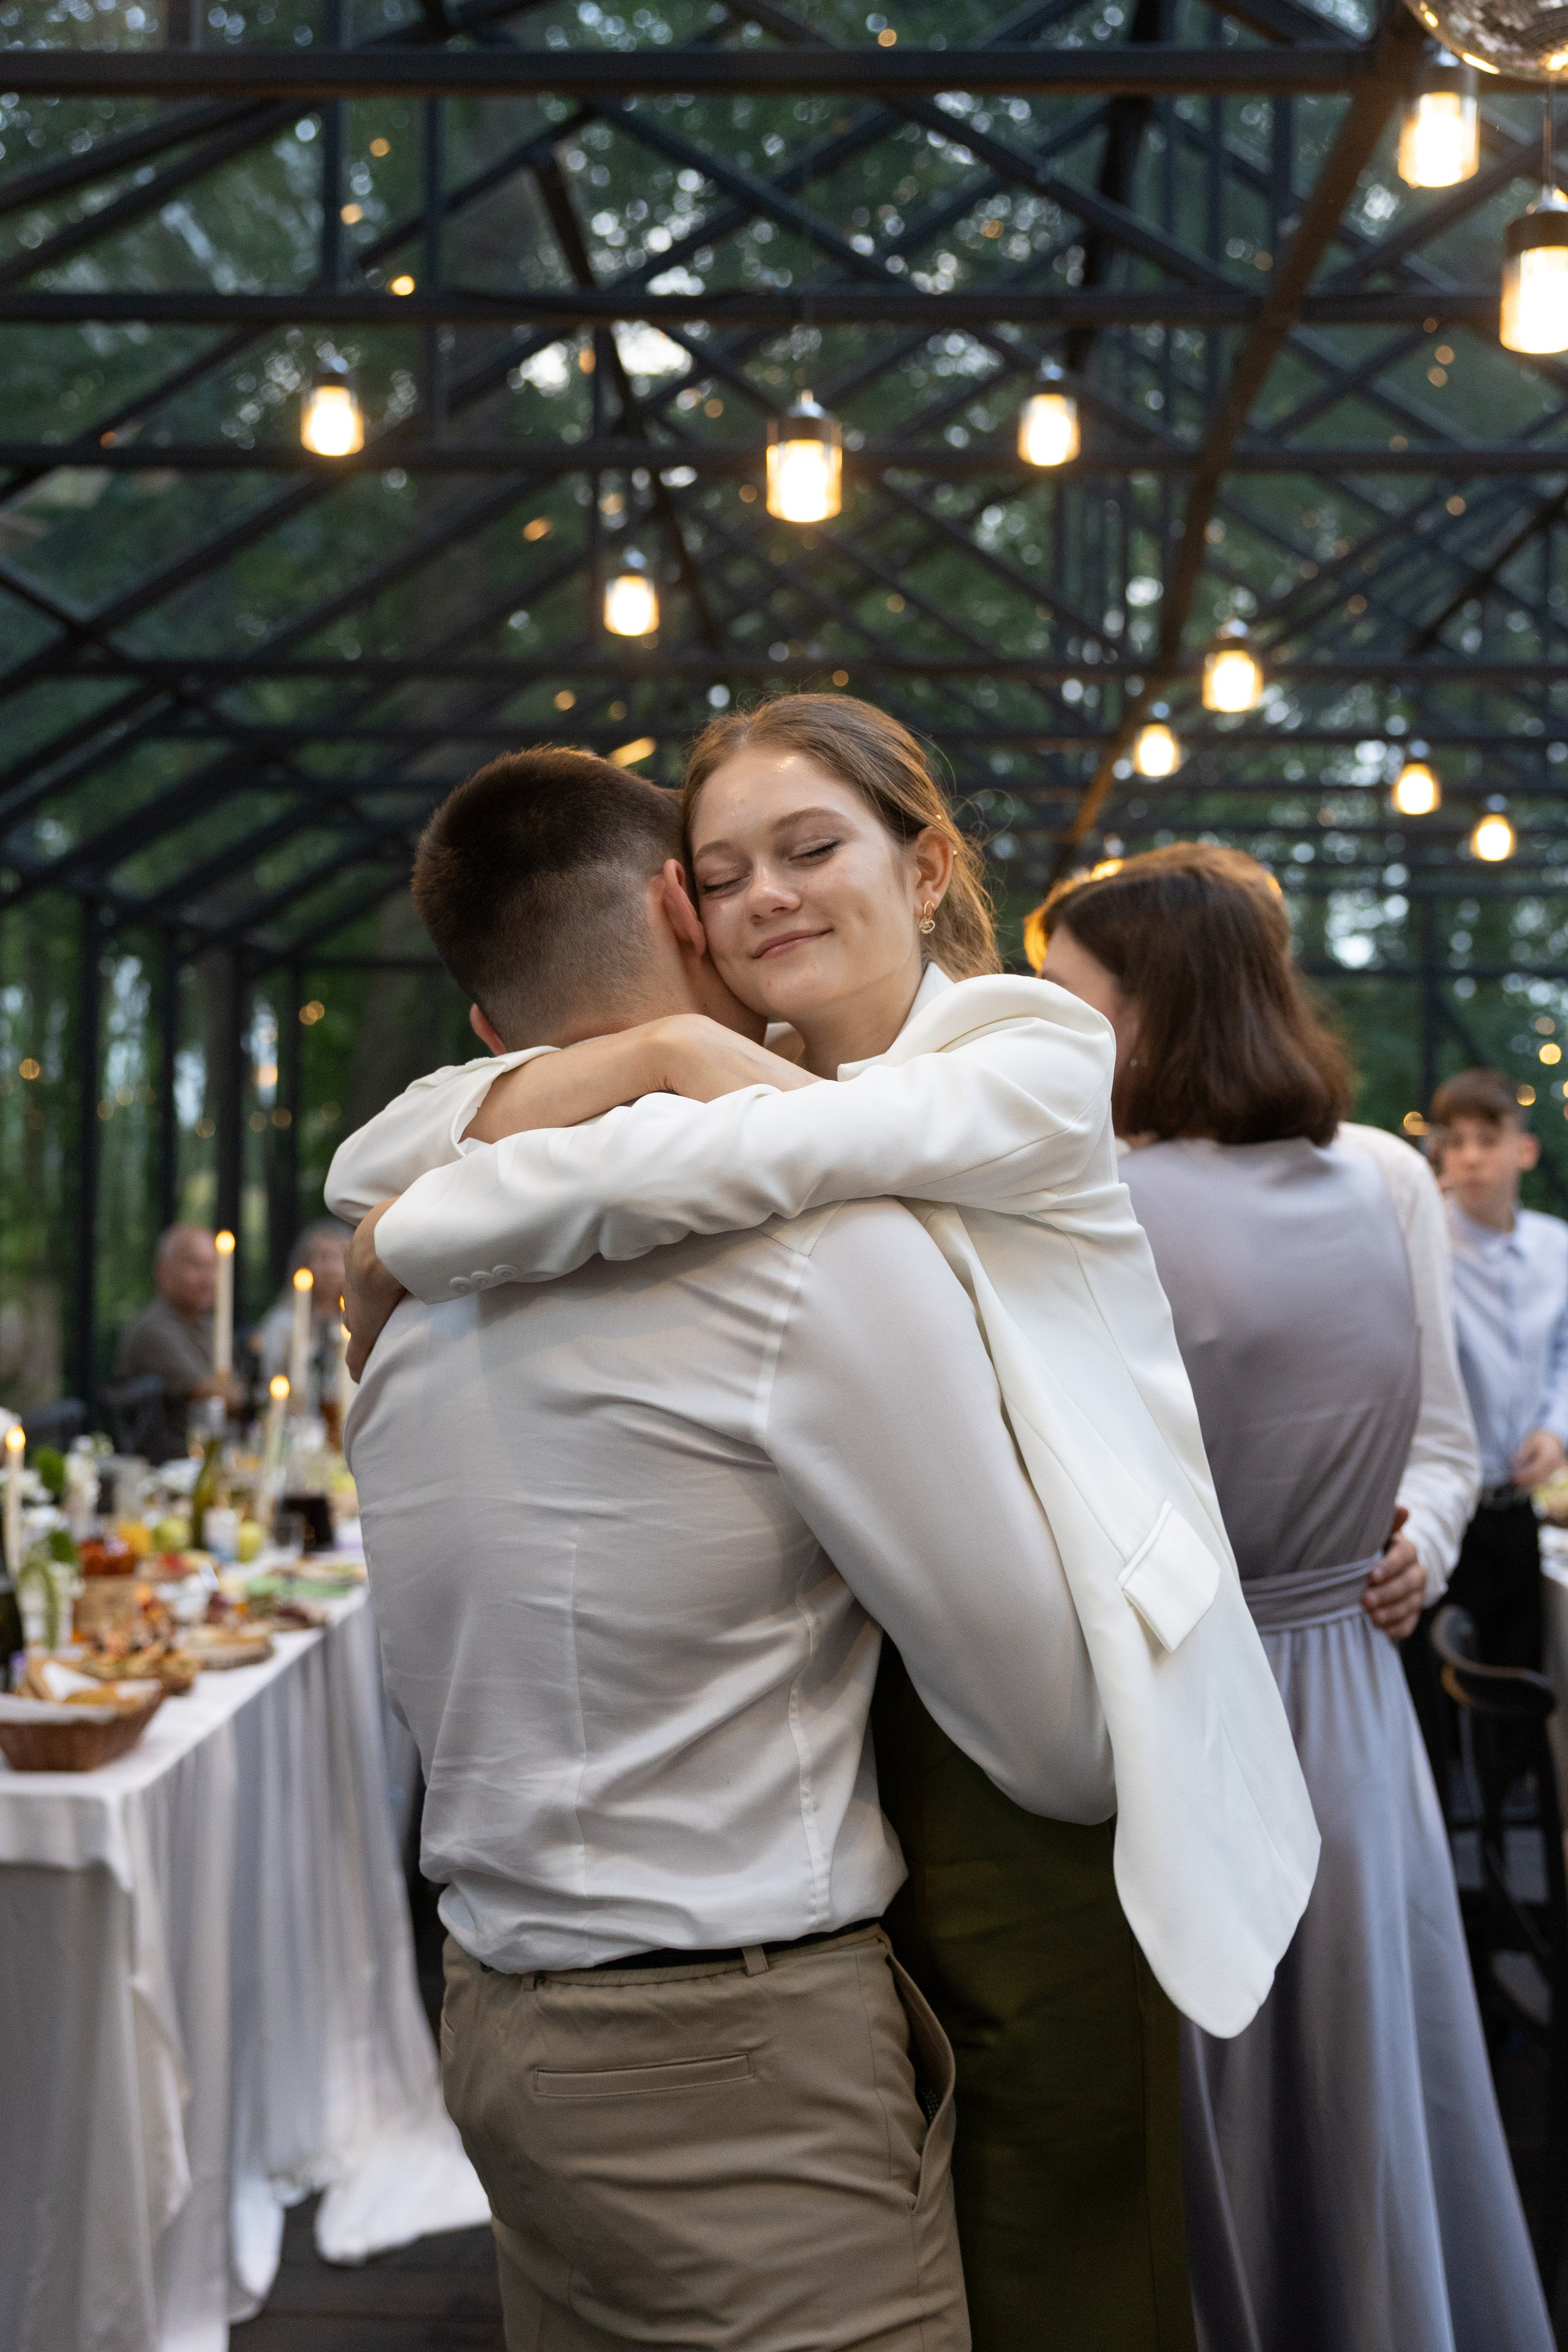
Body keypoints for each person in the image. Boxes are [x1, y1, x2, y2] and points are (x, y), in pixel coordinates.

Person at [330, 703, 1318, 2350]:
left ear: (926, 866)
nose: (771, 900)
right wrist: (649, 1071)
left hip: (519, 2006)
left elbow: (443, 1172)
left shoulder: (1000, 1062)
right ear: (675, 909)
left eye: (812, 851)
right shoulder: (790, 1215)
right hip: (757, 2006)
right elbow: (1054, 1736)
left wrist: (415, 1231)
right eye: (728, 872)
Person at [1035, 844, 1547, 2352]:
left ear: (1160, 1010)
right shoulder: (1086, 1191)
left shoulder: (1382, 1176)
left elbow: (1443, 1438)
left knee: (1349, 2069)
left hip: (1337, 1679)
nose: (1044, 1037)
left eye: (1070, 1003)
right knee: (1220, 2080)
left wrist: (1425, 1538)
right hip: (1177, 1694)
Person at [1426, 1066, 1568, 1675]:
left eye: (1486, 1140)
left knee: (1521, 1675)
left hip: (1518, 1507)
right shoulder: (1423, 1242)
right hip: (1446, 1509)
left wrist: (1556, 1430)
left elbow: (1566, 1351)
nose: (1469, 1158)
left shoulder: (1555, 1247)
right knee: (1447, 1682)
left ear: (1525, 1149)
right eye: (1454, 1142)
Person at [114, 1224, 241, 1463]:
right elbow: (214, 1392)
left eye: (213, 1267)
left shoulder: (207, 1325)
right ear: (163, 1270)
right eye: (196, 1266)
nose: (208, 1278)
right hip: (168, 1470)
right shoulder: (153, 1329)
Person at [252, 1218, 351, 1413]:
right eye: (323, 1257)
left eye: (339, 1258)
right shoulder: (283, 1322)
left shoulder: (360, 1322)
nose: (331, 1268)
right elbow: (270, 1377)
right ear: (304, 1264)